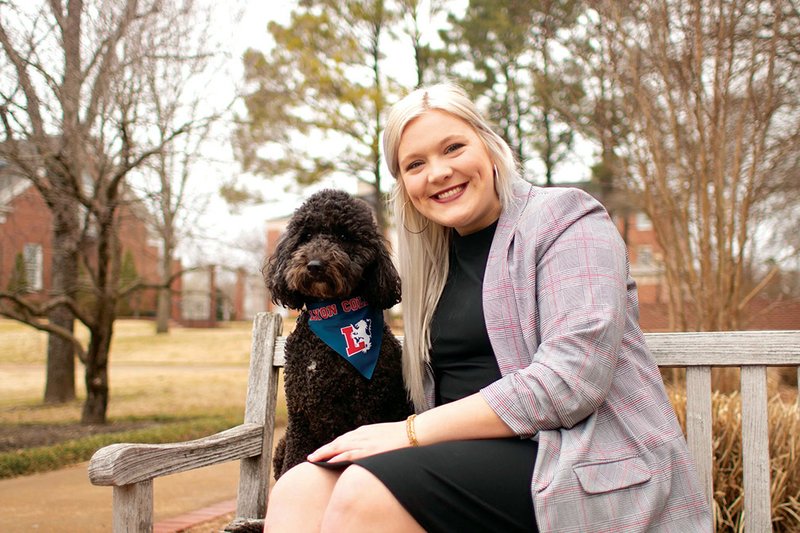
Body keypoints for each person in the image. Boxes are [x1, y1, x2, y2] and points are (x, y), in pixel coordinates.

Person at [264, 83, 712, 532]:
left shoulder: (568, 219)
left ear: (490, 146)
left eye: (453, 147)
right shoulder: (433, 262)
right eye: (415, 164)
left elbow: (572, 379)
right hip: (453, 460)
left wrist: (410, 432)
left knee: (364, 491)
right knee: (298, 487)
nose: (437, 172)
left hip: (567, 459)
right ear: (404, 185)